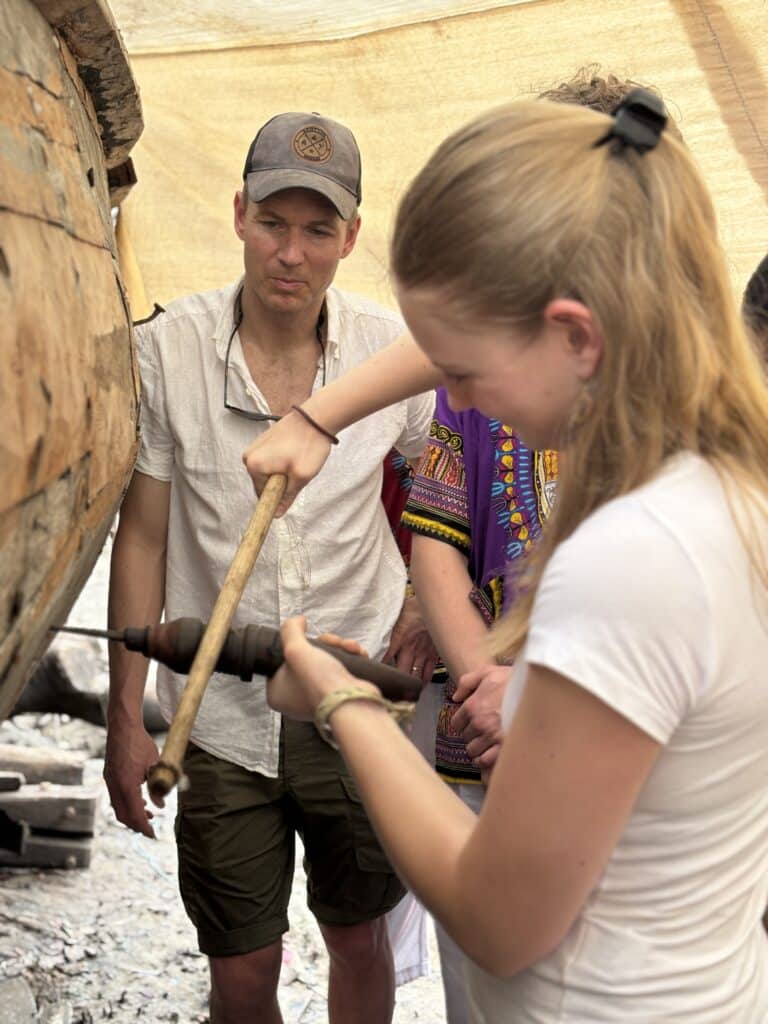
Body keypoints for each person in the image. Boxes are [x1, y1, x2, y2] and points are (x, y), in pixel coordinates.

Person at [244, 91, 768, 1022]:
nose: (458, 395)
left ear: (576, 335)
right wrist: (319, 416)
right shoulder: (726, 481)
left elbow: (498, 918)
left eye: (463, 372)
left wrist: (341, 701)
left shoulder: (633, 558)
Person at [104, 111, 435, 1024]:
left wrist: (421, 601)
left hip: (356, 702)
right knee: (242, 969)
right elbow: (142, 540)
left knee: (359, 940)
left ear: (351, 238)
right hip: (218, 721)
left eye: (318, 230)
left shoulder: (391, 356)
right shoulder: (167, 350)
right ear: (239, 214)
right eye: (274, 223)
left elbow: (439, 491)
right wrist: (124, 718)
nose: (292, 253)